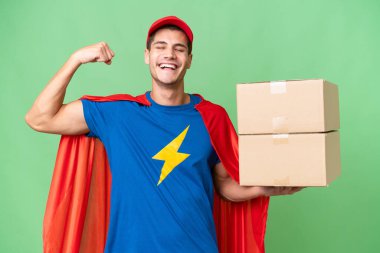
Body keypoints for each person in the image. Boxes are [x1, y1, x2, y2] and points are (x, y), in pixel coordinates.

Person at [25, 16, 303, 253]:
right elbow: (39, 118)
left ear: (189, 60)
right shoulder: (117, 114)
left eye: (179, 49)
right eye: (161, 47)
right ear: (147, 56)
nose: (169, 55)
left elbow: (224, 184)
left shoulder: (212, 116)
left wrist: (263, 188)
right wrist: (76, 59)